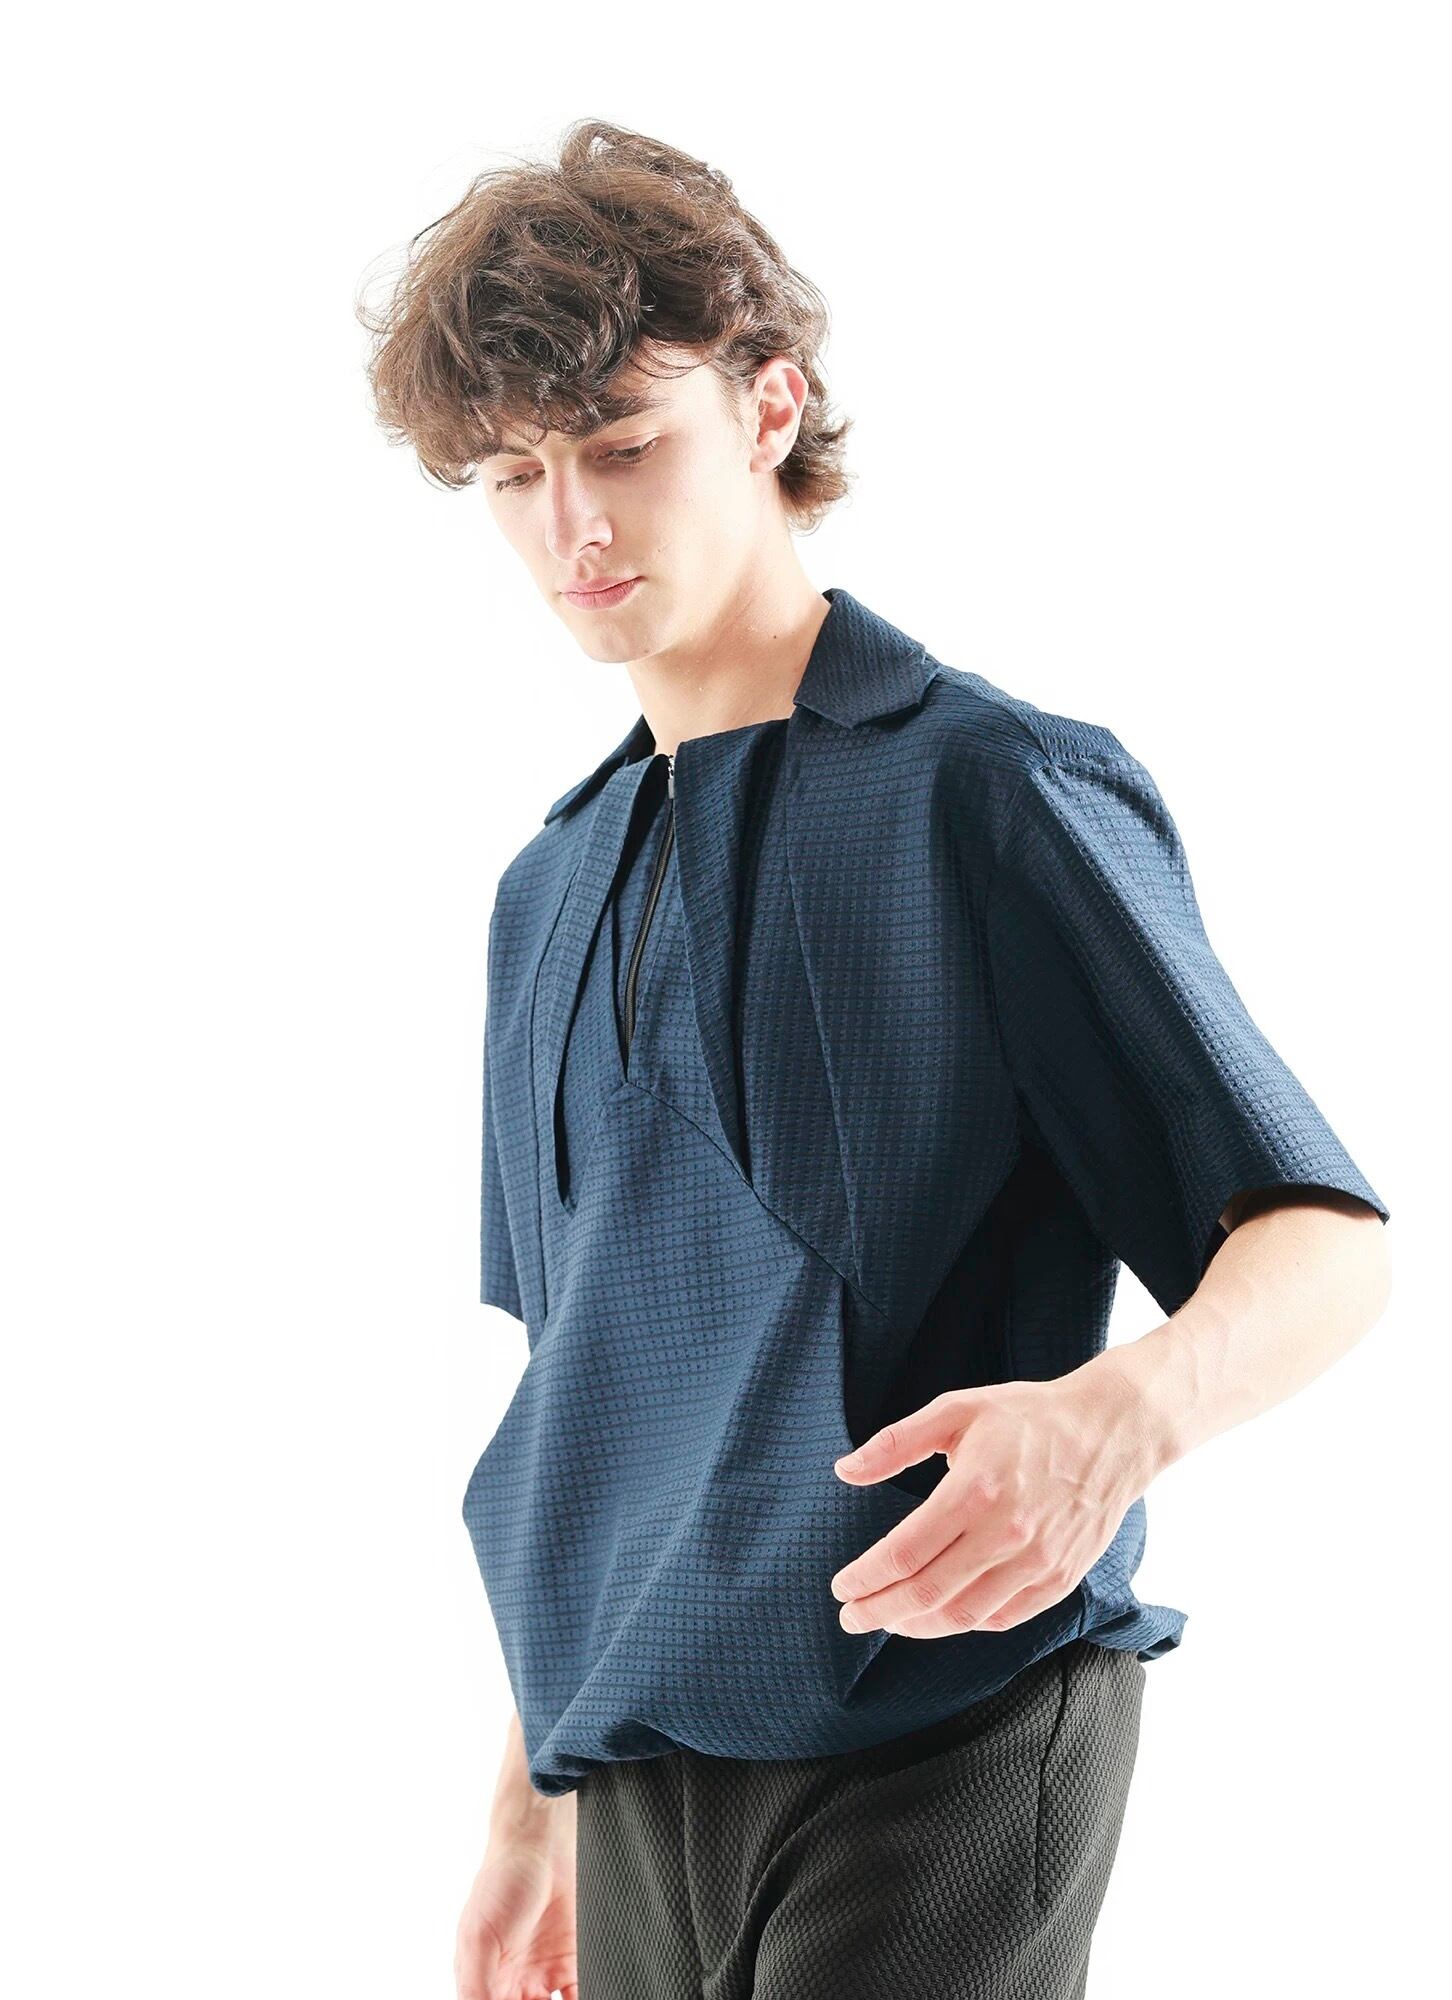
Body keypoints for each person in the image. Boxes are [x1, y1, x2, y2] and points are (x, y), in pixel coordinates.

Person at [360, 119, 1392, 2000]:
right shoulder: (547, 890)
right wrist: (528, 1806)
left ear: (769, 405)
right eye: (512, 474)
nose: (572, 528)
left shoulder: (987, 791)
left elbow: (1323, 1239)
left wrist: (1120, 1416)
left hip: (946, 1715)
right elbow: (590, 1393)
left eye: (622, 446)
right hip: (640, 1765)